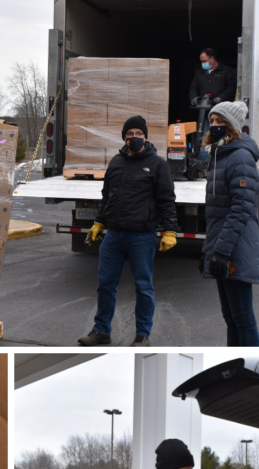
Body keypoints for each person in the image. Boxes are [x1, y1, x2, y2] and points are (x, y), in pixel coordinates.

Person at [78, 116, 178, 348]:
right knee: (105, 285)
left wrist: (170, 230)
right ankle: (101, 330)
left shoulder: (157, 165)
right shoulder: (115, 162)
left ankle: (142, 334)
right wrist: (99, 222)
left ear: (146, 136)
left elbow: (166, 200)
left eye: (139, 134)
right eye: (130, 133)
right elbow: (107, 197)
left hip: (141, 236)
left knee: (143, 287)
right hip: (113, 235)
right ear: (124, 136)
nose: (135, 137)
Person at [199, 101, 259, 346]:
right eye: (212, 121)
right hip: (223, 247)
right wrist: (208, 252)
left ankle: (247, 367)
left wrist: (221, 252)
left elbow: (241, 208)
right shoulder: (219, 155)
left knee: (243, 319)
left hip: (236, 249)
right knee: (231, 318)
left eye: (220, 122)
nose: (214, 126)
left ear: (232, 127)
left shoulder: (239, 157)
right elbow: (218, 213)